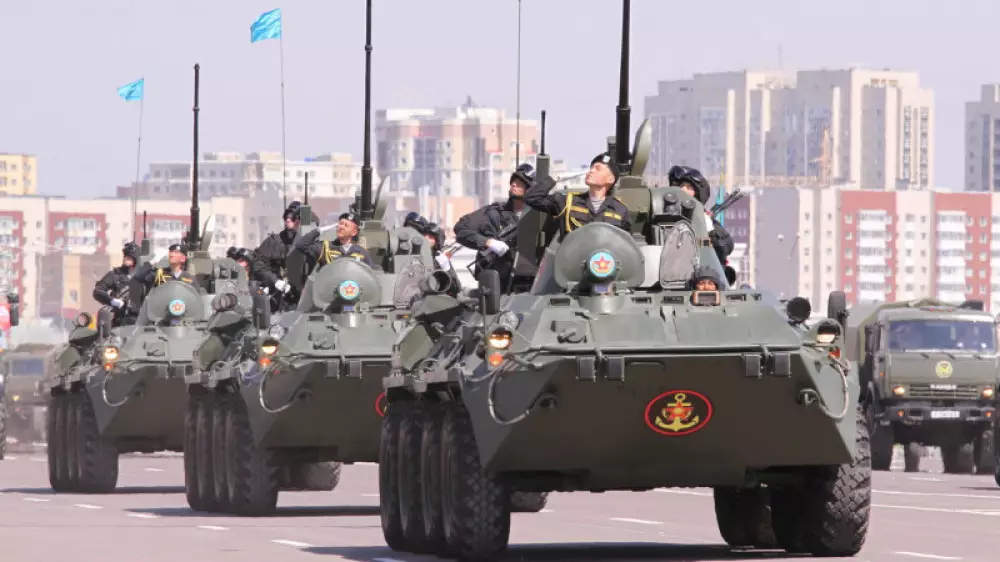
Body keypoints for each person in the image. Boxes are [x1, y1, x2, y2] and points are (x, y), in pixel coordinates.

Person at [453, 163, 534, 281]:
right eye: (513, 181)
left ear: (529, 189)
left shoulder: (538, 217)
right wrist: (488, 242)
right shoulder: (493, 213)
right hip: (498, 283)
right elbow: (461, 228)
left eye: (520, 183)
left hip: (530, 281)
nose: (513, 184)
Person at [524, 153, 631, 239]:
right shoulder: (568, 202)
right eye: (591, 168)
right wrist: (555, 178)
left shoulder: (620, 210)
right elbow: (532, 198)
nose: (591, 171)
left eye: (598, 168)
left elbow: (626, 245)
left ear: (610, 179)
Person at [667, 165, 734, 266]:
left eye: (689, 187)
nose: (683, 190)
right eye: (680, 186)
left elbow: (723, 248)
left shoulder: (705, 221)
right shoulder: (664, 214)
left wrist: (710, 233)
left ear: (697, 193)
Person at [251, 200, 305, 301]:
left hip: (300, 296)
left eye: (292, 217)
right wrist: (275, 281)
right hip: (277, 294)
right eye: (286, 217)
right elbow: (258, 264)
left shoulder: (308, 244)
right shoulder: (273, 241)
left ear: (300, 220)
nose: (288, 220)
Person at [295, 210, 374, 268]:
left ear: (354, 232)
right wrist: (319, 230)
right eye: (340, 224)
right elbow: (301, 245)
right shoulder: (325, 248)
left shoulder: (361, 252)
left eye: (346, 225)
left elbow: (372, 273)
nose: (341, 227)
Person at [93, 242, 139, 324]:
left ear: (136, 260)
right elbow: (98, 291)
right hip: (120, 320)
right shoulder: (115, 275)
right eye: (125, 256)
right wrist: (112, 301)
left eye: (129, 258)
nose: (125, 259)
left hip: (140, 320)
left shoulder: (143, 277)